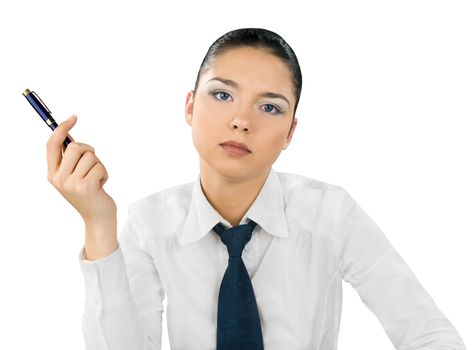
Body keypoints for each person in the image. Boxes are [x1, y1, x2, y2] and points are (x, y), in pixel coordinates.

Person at [46, 28, 466, 349]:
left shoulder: (329, 213)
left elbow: (426, 332)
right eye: (223, 94)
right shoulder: (152, 223)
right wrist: (98, 224)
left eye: (269, 107)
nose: (241, 120)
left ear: (289, 132)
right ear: (190, 107)